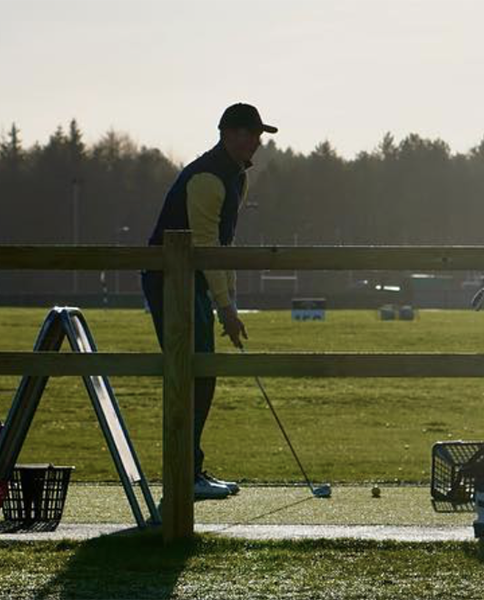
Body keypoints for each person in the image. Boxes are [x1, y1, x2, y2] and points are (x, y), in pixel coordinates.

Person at [142, 103, 275, 500]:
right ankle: (184, 474)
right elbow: (204, 246)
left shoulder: (237, 177)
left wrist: (228, 300)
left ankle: (192, 468)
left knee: (202, 372)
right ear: (228, 134)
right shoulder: (207, 178)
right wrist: (226, 308)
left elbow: (223, 246)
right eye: (250, 133)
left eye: (259, 134)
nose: (256, 142)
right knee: (191, 374)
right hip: (171, 281)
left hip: (194, 282)